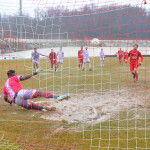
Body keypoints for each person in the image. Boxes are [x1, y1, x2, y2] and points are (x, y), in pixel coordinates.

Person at [3, 70, 70, 111]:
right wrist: (33, 74)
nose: (16, 74)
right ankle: (58, 97)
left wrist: (10, 102)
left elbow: (5, 98)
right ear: (11, 74)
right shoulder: (13, 78)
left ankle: (44, 107)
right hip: (20, 93)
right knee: (39, 93)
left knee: (31, 105)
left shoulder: (4, 86)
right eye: (15, 73)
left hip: (16, 101)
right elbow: (23, 78)